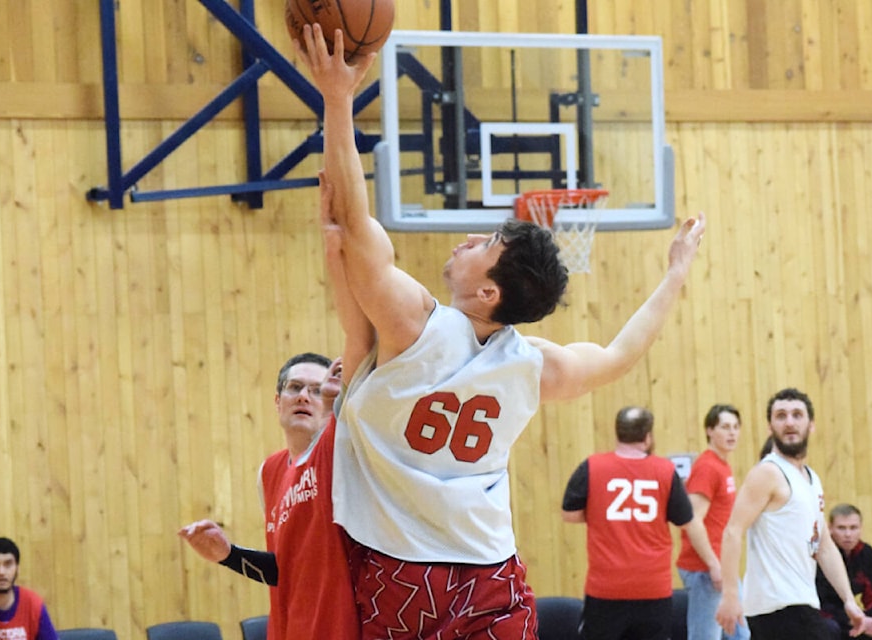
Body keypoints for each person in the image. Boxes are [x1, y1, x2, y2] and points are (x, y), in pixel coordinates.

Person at [297, 23, 706, 639]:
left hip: (400, 573)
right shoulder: (533, 365)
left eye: (483, 243)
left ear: (488, 291)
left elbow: (356, 223)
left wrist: (336, 97)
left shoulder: (413, 323)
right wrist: (675, 273)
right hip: (491, 572)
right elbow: (622, 353)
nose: (467, 240)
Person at [179, 178, 374, 640]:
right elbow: (287, 572)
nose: (305, 395)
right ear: (278, 401)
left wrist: (337, 241)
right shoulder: (272, 471)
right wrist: (227, 554)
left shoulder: (339, 445)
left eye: (316, 387)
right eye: (294, 387)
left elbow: (360, 337)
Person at [714, 388, 872, 640]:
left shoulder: (812, 479)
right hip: (777, 606)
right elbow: (733, 531)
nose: (789, 422)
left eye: (797, 415)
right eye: (781, 415)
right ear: (770, 426)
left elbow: (823, 545)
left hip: (801, 603)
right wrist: (730, 595)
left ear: (810, 425)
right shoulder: (767, 473)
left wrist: (848, 600)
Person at [561, 406, 721, 640]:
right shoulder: (665, 471)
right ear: (648, 437)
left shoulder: (593, 466)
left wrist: (603, 514)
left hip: (605, 589)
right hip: (653, 589)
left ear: (618, 433)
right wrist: (714, 564)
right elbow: (688, 521)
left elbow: (569, 514)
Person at [676, 404, 750, 640]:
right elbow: (692, 520)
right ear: (709, 430)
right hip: (705, 570)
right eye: (725, 427)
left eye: (736, 427)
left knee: (741, 635)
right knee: (705, 636)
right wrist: (713, 565)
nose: (732, 433)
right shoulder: (707, 467)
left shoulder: (722, 465)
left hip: (722, 566)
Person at [816, 504, 872, 640]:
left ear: (861, 529)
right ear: (830, 529)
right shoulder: (822, 556)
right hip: (829, 616)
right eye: (841, 528)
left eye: (853, 528)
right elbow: (820, 602)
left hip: (855, 616)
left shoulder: (866, 553)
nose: (848, 534)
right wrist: (855, 620)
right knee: (829, 629)